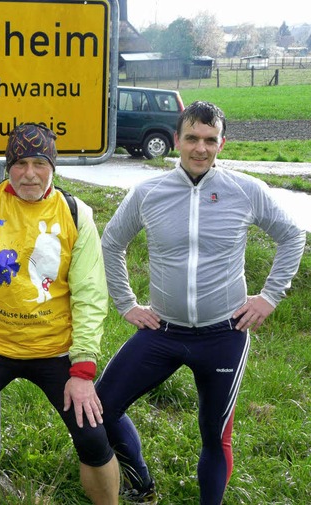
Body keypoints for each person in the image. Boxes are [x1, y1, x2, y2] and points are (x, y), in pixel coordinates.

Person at [95, 101, 306, 505]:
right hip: (163, 330)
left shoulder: (246, 190)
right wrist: (126, 304)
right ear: (177, 140)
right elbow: (112, 242)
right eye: (191, 138)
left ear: (221, 143)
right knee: (102, 408)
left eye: (210, 140)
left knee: (214, 432)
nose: (200, 148)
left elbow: (292, 236)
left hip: (223, 334)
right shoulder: (148, 191)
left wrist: (269, 297)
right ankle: (140, 482)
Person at [0, 123, 120, 505]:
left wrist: (82, 369)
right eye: (20, 163)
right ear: (8, 164)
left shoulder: (76, 213)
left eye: (39, 163)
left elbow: (90, 295)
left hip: (54, 350)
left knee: (93, 435)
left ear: (54, 167)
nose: (29, 173)